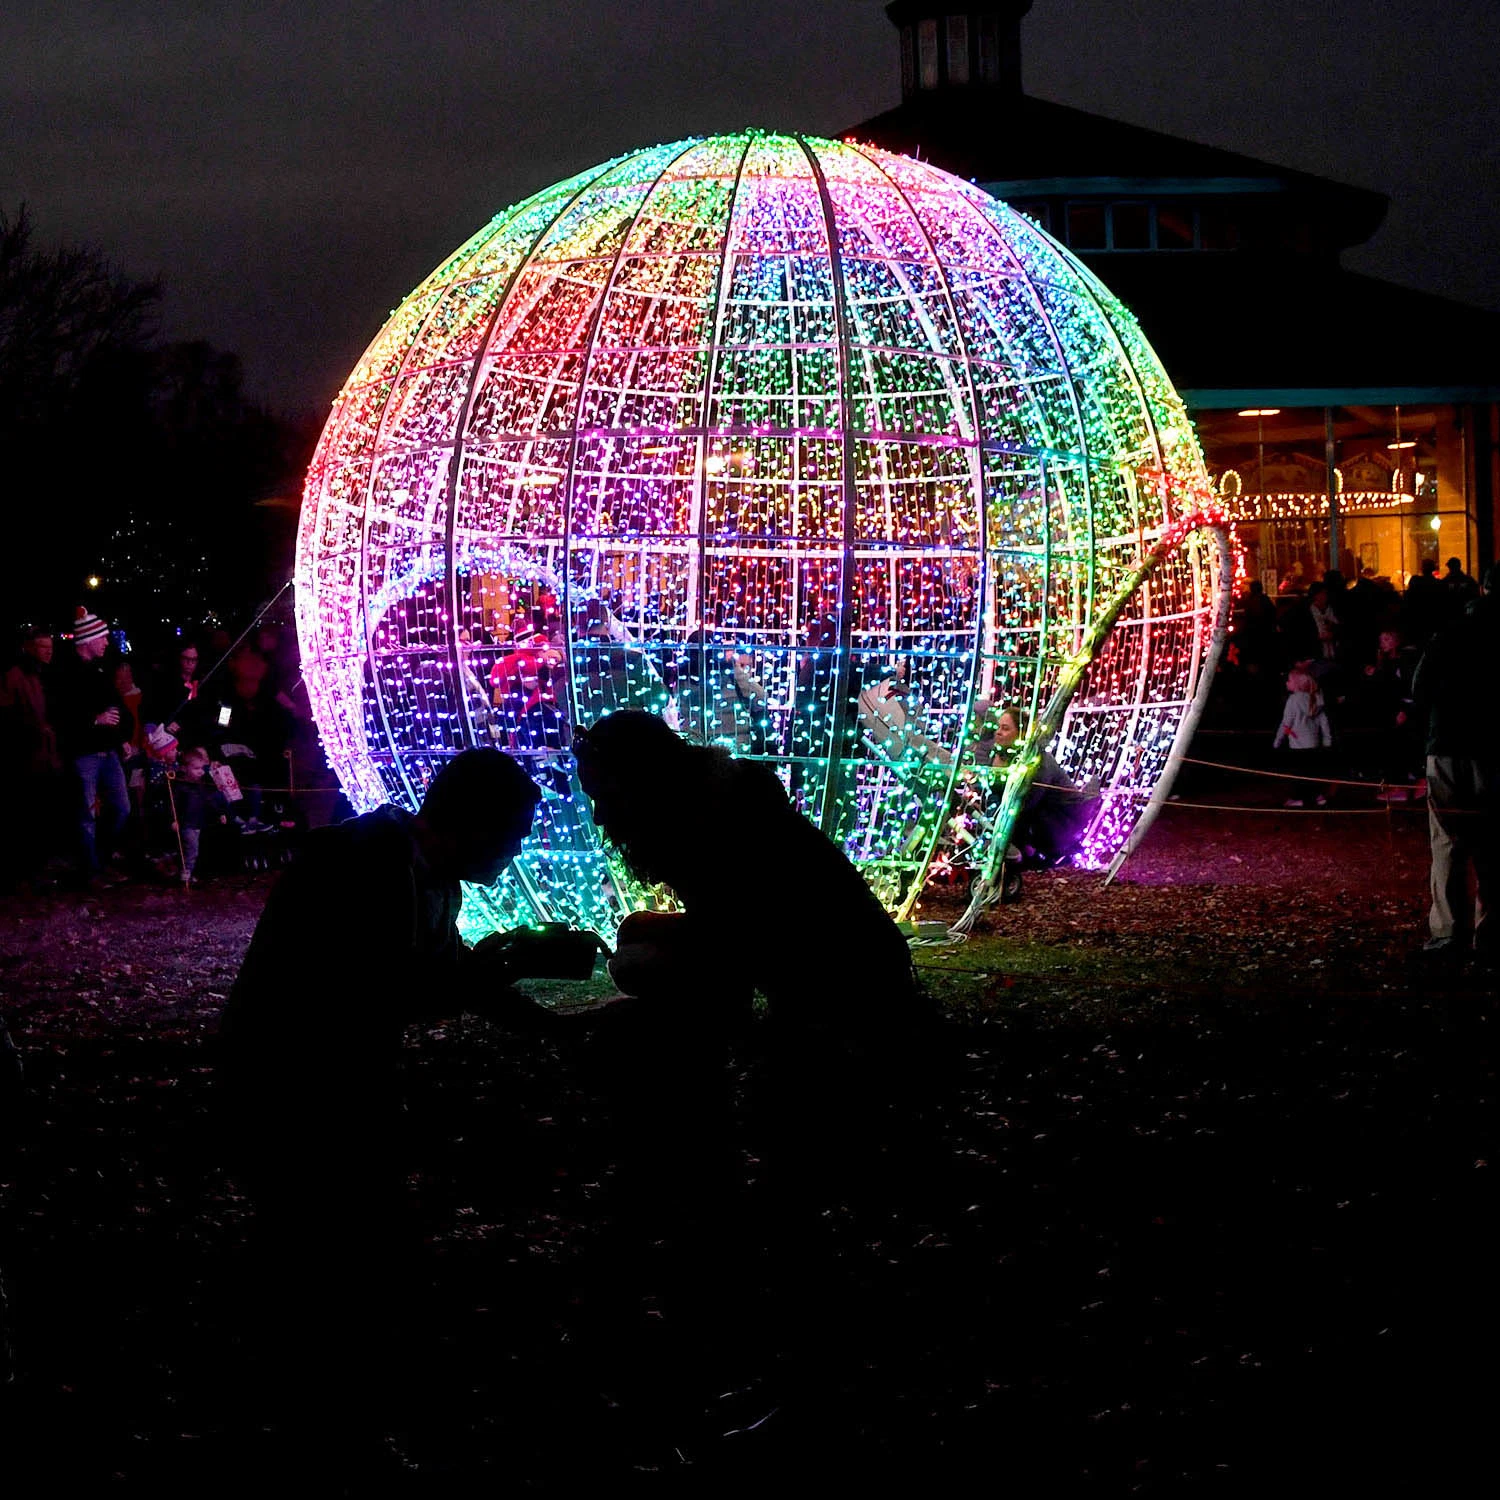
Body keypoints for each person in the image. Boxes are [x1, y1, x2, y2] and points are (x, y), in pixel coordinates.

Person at [216, 748, 589, 1456]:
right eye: (512, 834)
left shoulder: (426, 876)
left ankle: (308, 1402)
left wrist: (554, 1025)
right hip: (290, 1085)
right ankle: (301, 1414)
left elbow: (434, 977)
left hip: (333, 1085)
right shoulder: (364, 864)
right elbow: (375, 988)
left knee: (335, 1240)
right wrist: (508, 965)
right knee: (324, 1240)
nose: (518, 851)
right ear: (473, 824)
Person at [1411, 561, 1499, 963]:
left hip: (1445, 743)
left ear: (1480, 589)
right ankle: (1490, 931)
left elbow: (1420, 687)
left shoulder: (1449, 633)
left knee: (1446, 840)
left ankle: (1448, 931)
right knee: (1492, 840)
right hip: (1491, 748)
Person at [54, 607, 133, 884]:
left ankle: (101, 859)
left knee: (122, 808)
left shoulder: (100, 671)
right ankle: (90, 870)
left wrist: (122, 737)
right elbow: (61, 715)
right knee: (85, 814)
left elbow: (118, 708)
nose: (106, 642)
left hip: (107, 752)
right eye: (102, 638)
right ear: (87, 640)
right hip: (84, 753)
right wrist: (93, 720)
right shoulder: (65, 673)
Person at [0, 628, 62, 889]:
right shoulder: (16, 676)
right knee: (27, 815)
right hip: (27, 757)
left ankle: (37, 868)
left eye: (50, 646)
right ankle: (24, 873)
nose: (48, 651)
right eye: (42, 646)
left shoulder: (43, 675)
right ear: (30, 647)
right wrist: (34, 730)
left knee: (41, 814)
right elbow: (7, 715)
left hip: (44, 756)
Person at [1273, 665, 1333, 807]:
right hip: (1314, 745)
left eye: (1289, 680)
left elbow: (1286, 723)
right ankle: (1318, 797)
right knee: (1313, 773)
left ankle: (1297, 799)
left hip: (1298, 747)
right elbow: (1324, 723)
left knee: (1298, 775)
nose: (1286, 683)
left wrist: (1277, 741)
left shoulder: (1293, 701)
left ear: (1297, 685)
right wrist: (1327, 741)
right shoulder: (1316, 699)